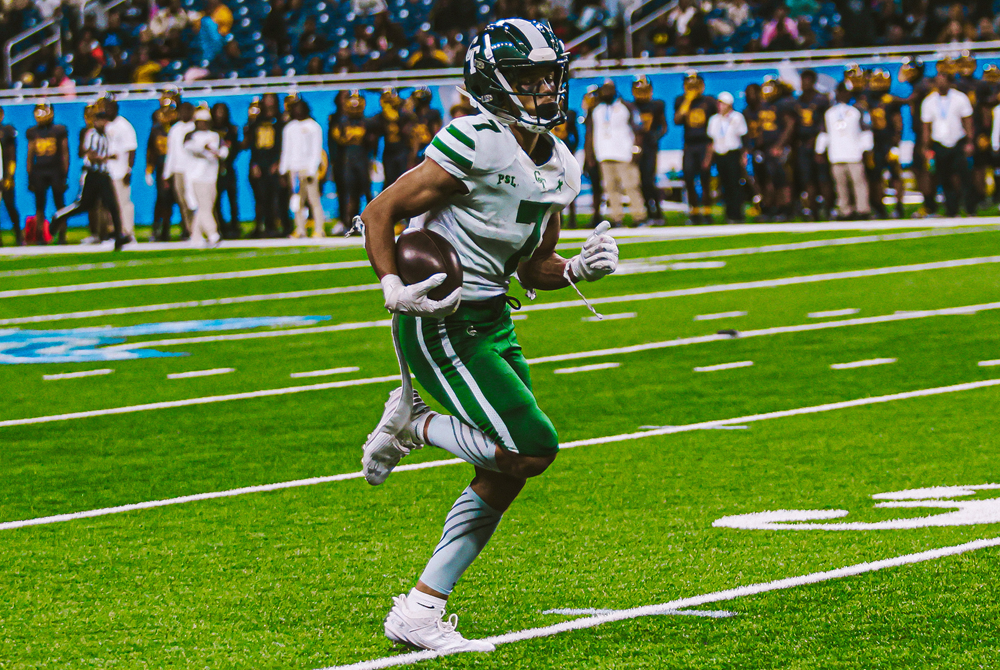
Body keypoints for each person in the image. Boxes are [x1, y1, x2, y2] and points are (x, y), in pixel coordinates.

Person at [358, 18, 617, 654]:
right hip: (440, 316)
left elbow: (534, 268)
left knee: (507, 471)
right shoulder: (474, 140)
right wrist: (392, 286)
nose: (543, 92)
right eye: (527, 81)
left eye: (548, 79)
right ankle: (413, 424)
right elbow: (380, 212)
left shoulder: (561, 165)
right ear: (492, 85)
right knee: (531, 447)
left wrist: (578, 269)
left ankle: (420, 609)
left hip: (493, 318)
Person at [51, 111, 125, 249]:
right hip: (91, 174)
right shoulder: (91, 134)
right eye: (101, 120)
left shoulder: (106, 135)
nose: (103, 123)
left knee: (113, 205)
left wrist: (108, 158)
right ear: (95, 121)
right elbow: (89, 154)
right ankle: (59, 216)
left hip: (103, 173)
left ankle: (118, 237)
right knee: (84, 205)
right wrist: (107, 158)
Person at [586, 79, 648, 227]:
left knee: (631, 185)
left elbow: (638, 129)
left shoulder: (626, 106)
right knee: (610, 188)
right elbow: (590, 133)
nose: (606, 92)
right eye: (604, 89)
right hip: (604, 153)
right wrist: (590, 154)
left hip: (624, 152)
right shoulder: (596, 110)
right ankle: (616, 217)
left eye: (609, 89)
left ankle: (639, 216)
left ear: (615, 90)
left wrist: (636, 149)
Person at [921, 73, 975, 217]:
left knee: (964, 176)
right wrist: (926, 146)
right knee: (945, 178)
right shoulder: (929, 101)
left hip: (958, 141)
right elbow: (926, 126)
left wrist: (970, 141)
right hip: (939, 142)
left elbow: (968, 121)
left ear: (950, 82)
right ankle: (951, 209)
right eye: (937, 81)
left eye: (943, 80)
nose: (940, 84)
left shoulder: (960, 98)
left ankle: (970, 208)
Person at [817, 83, 871, 220]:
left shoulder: (857, 110)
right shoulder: (830, 112)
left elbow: (866, 131)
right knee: (840, 185)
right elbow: (824, 132)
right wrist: (819, 150)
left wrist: (867, 149)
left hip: (854, 154)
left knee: (859, 183)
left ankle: (862, 209)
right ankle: (844, 210)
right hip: (836, 154)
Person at [279, 99, 326, 238]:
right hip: (294, 169)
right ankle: (300, 229)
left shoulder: (313, 126)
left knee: (314, 200)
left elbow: (316, 150)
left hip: (308, 169)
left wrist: (312, 169)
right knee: (296, 201)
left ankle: (319, 228)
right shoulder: (289, 127)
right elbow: (286, 150)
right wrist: (283, 170)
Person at [674, 71, 716, 224]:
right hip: (690, 145)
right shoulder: (681, 100)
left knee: (705, 178)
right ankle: (694, 211)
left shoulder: (709, 101)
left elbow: (715, 123)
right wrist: (688, 101)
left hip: (705, 144)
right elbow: (677, 120)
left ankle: (707, 211)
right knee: (689, 178)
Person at [183, 107, 228, 246]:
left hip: (211, 176)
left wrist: (218, 153)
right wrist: (205, 148)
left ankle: (195, 235)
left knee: (207, 206)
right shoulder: (191, 136)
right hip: (196, 176)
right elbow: (191, 148)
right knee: (204, 207)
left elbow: (224, 151)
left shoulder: (215, 135)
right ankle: (213, 233)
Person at [898, 56, 937, 217]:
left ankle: (929, 205)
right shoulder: (919, 85)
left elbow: (910, 99)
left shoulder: (923, 85)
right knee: (919, 169)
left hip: (925, 136)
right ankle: (929, 204)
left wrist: (893, 100)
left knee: (925, 170)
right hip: (920, 134)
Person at [25, 101, 69, 243]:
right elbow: (30, 154)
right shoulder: (33, 132)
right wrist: (30, 175)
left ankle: (62, 235)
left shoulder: (59, 130)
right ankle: (40, 236)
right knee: (39, 206)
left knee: (60, 205)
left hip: (55, 171)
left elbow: (64, 153)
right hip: (39, 172)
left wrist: (65, 174)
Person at [864, 68, 905, 219]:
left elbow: (898, 123)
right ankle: (879, 208)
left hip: (888, 142)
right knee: (875, 177)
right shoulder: (866, 100)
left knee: (895, 175)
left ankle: (898, 206)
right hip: (873, 144)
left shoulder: (891, 100)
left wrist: (895, 144)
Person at [331, 91, 374, 228]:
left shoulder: (367, 122)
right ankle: (348, 224)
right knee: (349, 194)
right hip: (348, 160)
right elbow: (337, 142)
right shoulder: (341, 122)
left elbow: (372, 142)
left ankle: (373, 222)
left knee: (367, 192)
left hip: (362, 159)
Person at [756, 76, 796, 221]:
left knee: (782, 180)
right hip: (767, 147)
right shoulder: (764, 105)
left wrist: (780, 145)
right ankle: (771, 208)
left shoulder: (782, 104)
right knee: (769, 179)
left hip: (778, 147)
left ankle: (785, 208)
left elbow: (790, 126)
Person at [793, 69, 830, 220]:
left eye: (806, 80)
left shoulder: (821, 99)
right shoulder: (799, 100)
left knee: (823, 179)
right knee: (807, 179)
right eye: (802, 80)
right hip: (802, 145)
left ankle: (827, 209)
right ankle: (813, 210)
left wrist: (818, 144)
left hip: (818, 144)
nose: (803, 84)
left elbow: (825, 123)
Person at [246, 93, 284, 237]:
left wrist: (279, 161)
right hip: (259, 163)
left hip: (274, 163)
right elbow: (253, 145)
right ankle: (259, 226)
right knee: (259, 198)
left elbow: (283, 143)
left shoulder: (280, 120)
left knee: (275, 197)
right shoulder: (257, 121)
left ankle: (274, 225)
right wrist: (254, 163)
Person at [706, 91, 747, 223]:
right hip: (720, 153)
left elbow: (743, 137)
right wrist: (709, 158)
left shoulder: (737, 117)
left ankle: (737, 213)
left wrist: (743, 155)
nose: (720, 106)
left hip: (733, 152)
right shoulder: (714, 119)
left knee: (735, 183)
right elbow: (712, 140)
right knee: (724, 184)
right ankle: (729, 213)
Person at [632, 74, 667, 222]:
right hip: (635, 146)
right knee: (638, 181)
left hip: (650, 146)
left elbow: (664, 126)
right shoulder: (631, 106)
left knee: (648, 180)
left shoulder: (656, 105)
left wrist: (656, 136)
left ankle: (657, 211)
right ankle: (648, 210)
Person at [105, 97, 138, 243]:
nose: (107, 111)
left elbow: (131, 149)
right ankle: (114, 232)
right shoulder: (104, 125)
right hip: (106, 171)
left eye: (110, 107)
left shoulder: (124, 125)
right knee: (109, 205)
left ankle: (128, 232)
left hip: (120, 171)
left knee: (123, 202)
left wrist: (128, 169)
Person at [370, 88, 414, 194]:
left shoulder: (404, 115)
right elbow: (374, 131)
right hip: (389, 151)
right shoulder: (381, 117)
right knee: (390, 181)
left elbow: (408, 129)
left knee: (403, 180)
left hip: (402, 150)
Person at [163, 101, 196, 238]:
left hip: (192, 170)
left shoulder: (195, 127)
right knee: (182, 201)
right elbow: (171, 153)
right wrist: (167, 173)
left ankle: (197, 228)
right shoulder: (175, 129)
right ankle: (189, 229)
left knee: (192, 201)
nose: (184, 113)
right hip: (178, 170)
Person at [146, 100, 176, 241]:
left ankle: (172, 229)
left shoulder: (177, 128)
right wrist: (149, 169)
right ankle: (158, 229)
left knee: (178, 199)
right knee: (162, 199)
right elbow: (151, 151)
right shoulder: (156, 130)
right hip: (161, 167)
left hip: (176, 167)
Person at [211, 102, 241, 238]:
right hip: (213, 170)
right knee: (215, 200)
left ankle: (235, 225)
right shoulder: (210, 129)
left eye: (222, 111)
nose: (220, 114)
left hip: (228, 168)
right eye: (218, 111)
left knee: (232, 198)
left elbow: (234, 148)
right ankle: (220, 225)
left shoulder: (231, 129)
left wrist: (226, 162)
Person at [551, 103, 580, 227]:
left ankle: (572, 218)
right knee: (555, 188)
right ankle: (559, 219)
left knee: (570, 186)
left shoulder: (570, 115)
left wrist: (570, 151)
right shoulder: (548, 113)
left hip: (565, 152)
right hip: (552, 153)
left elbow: (575, 135)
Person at [580, 85, 604, 226]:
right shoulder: (589, 114)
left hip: (598, 154)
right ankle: (596, 214)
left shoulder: (598, 114)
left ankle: (599, 214)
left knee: (599, 187)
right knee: (595, 187)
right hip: (592, 155)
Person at [0, 105, 22, 246]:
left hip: (4, 175)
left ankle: (19, 236)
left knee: (10, 206)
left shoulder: (6, 131)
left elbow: (11, 155)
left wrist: (9, 175)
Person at [408, 87, 442, 168]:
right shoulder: (413, 116)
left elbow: (436, 132)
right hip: (416, 149)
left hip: (428, 148)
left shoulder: (432, 114)